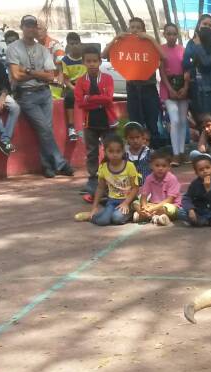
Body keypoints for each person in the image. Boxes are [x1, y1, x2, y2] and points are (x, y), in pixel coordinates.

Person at [6, 15, 74, 178]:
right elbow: (16, 75)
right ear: (22, 27)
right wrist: (38, 74)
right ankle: (61, 163)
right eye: (27, 26)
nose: (30, 29)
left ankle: (47, 166)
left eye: (33, 26)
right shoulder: (14, 48)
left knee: (46, 130)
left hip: (44, 93)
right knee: (44, 129)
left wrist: (28, 71)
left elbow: (50, 75)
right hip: (26, 94)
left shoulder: (42, 50)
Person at [105, 17, 164, 143]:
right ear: (128, 29)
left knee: (152, 120)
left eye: (138, 27)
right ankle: (136, 147)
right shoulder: (123, 43)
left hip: (149, 88)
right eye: (132, 27)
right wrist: (116, 38)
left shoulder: (149, 43)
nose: (135, 30)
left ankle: (154, 146)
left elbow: (164, 56)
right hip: (132, 88)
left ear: (143, 30)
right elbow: (103, 55)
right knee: (135, 121)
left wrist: (150, 38)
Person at [75, 46, 118, 201]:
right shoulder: (81, 81)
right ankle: (93, 179)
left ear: (100, 61)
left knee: (110, 150)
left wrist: (89, 98)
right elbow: (80, 102)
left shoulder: (108, 78)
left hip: (108, 120)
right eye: (88, 61)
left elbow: (109, 99)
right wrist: (98, 100)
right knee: (91, 152)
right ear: (83, 62)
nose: (92, 64)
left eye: (94, 61)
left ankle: (111, 177)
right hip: (90, 122)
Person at [78, 133, 139, 226]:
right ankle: (92, 216)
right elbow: (100, 188)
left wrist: (126, 203)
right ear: (105, 152)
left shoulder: (129, 166)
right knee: (103, 221)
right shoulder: (103, 168)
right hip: (112, 201)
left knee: (116, 218)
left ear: (123, 151)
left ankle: (130, 212)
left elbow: (135, 188)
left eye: (118, 151)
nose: (115, 154)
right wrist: (94, 207)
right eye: (111, 151)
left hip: (128, 201)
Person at [160, 23, 191, 163]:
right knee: (175, 120)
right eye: (168, 33)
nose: (171, 36)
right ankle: (175, 153)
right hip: (168, 89)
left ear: (177, 35)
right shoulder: (161, 50)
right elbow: (162, 72)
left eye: (174, 34)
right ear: (164, 34)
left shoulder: (183, 50)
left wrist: (185, 87)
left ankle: (182, 151)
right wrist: (170, 89)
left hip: (183, 88)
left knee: (183, 121)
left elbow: (187, 70)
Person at [184, 24, 211, 118]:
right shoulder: (200, 51)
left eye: (199, 39)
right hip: (200, 91)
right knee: (202, 121)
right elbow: (189, 63)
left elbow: (206, 62)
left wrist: (198, 45)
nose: (196, 41)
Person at [133, 148, 181, 225]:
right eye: (157, 165)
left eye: (164, 166)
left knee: (167, 208)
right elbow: (144, 196)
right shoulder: (149, 178)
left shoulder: (172, 178)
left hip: (169, 205)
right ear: (151, 166)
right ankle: (150, 215)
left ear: (169, 167)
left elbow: (170, 200)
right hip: (153, 204)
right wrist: (145, 207)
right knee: (135, 203)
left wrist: (153, 208)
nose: (160, 168)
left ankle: (146, 216)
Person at [179, 154, 211, 226]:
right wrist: (190, 209)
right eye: (201, 170)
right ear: (197, 173)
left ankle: (199, 222)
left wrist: (208, 189)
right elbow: (187, 197)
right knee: (180, 212)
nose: (205, 171)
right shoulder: (195, 183)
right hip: (198, 210)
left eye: (207, 168)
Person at [60, 32, 86, 142]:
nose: (74, 46)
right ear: (68, 45)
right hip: (72, 85)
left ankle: (96, 126)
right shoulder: (65, 60)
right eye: (72, 44)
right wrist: (75, 89)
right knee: (70, 97)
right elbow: (66, 80)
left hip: (86, 85)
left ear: (80, 43)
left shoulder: (85, 58)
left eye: (76, 43)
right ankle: (71, 127)